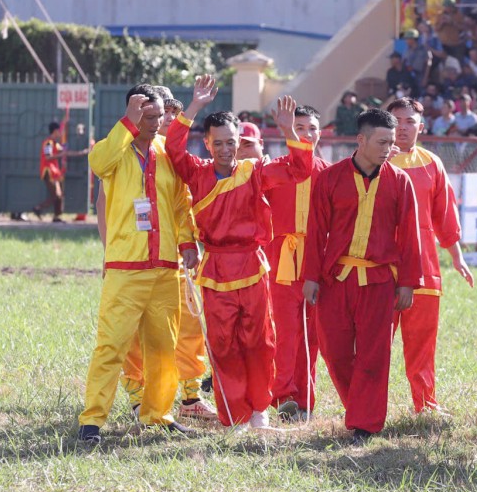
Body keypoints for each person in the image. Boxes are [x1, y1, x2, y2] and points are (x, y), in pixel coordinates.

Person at [164, 78, 312, 429]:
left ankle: (259, 410)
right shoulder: (197, 173)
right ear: (208, 144)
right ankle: (234, 416)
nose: (227, 149)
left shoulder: (254, 171)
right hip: (215, 268)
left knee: (259, 341)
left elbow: (299, 169)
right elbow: (173, 149)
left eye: (232, 142)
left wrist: (291, 132)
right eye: (220, 143)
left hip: (252, 266)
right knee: (222, 343)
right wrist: (195, 106)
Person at [78, 86, 198, 444]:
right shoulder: (112, 148)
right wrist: (127, 124)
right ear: (132, 115)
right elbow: (98, 164)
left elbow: (181, 201)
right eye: (148, 117)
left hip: (164, 267)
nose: (156, 123)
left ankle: (157, 415)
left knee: (164, 348)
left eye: (159, 116)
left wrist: (188, 239)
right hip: (125, 268)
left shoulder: (166, 152)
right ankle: (92, 421)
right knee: (110, 346)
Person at [303, 109, 423, 442]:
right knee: (335, 351)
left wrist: (409, 283)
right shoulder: (329, 178)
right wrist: (310, 276)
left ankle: (364, 425)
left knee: (374, 353)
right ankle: (359, 408)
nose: (388, 148)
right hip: (335, 280)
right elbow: (315, 231)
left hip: (381, 282)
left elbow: (410, 237)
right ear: (361, 140)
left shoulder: (400, 181)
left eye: (392, 141)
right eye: (382, 141)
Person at [114, 93, 216, 422]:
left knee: (188, 327)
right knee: (133, 332)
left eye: (174, 113)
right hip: (133, 257)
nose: (168, 119)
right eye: (163, 113)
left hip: (173, 258)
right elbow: (107, 205)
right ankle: (138, 397)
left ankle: (190, 396)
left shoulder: (175, 154)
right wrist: (108, 250)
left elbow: (183, 204)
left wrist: (188, 243)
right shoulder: (127, 148)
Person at [386, 97, 473, 415]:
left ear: (421, 127)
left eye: (410, 121)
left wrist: (457, 257)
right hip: (379, 267)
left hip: (423, 266)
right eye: (397, 121)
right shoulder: (370, 162)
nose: (403, 128)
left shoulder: (432, 164)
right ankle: (367, 407)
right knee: (375, 343)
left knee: (422, 341)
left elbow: (445, 215)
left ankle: (425, 404)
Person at [265, 103, 330, 421]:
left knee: (312, 334)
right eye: (298, 128)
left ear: (321, 133)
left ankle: (306, 397)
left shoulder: (329, 173)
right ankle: (283, 396)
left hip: (317, 261)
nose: (305, 134)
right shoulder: (274, 168)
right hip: (281, 260)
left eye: (310, 129)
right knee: (285, 332)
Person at [33, 120, 86, 220]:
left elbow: (65, 152)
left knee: (59, 196)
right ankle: (38, 208)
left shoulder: (55, 144)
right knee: (57, 195)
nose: (60, 133)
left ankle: (55, 216)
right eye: (59, 131)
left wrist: (81, 153)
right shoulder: (48, 143)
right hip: (48, 171)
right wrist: (61, 154)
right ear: (55, 131)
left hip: (55, 173)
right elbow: (48, 157)